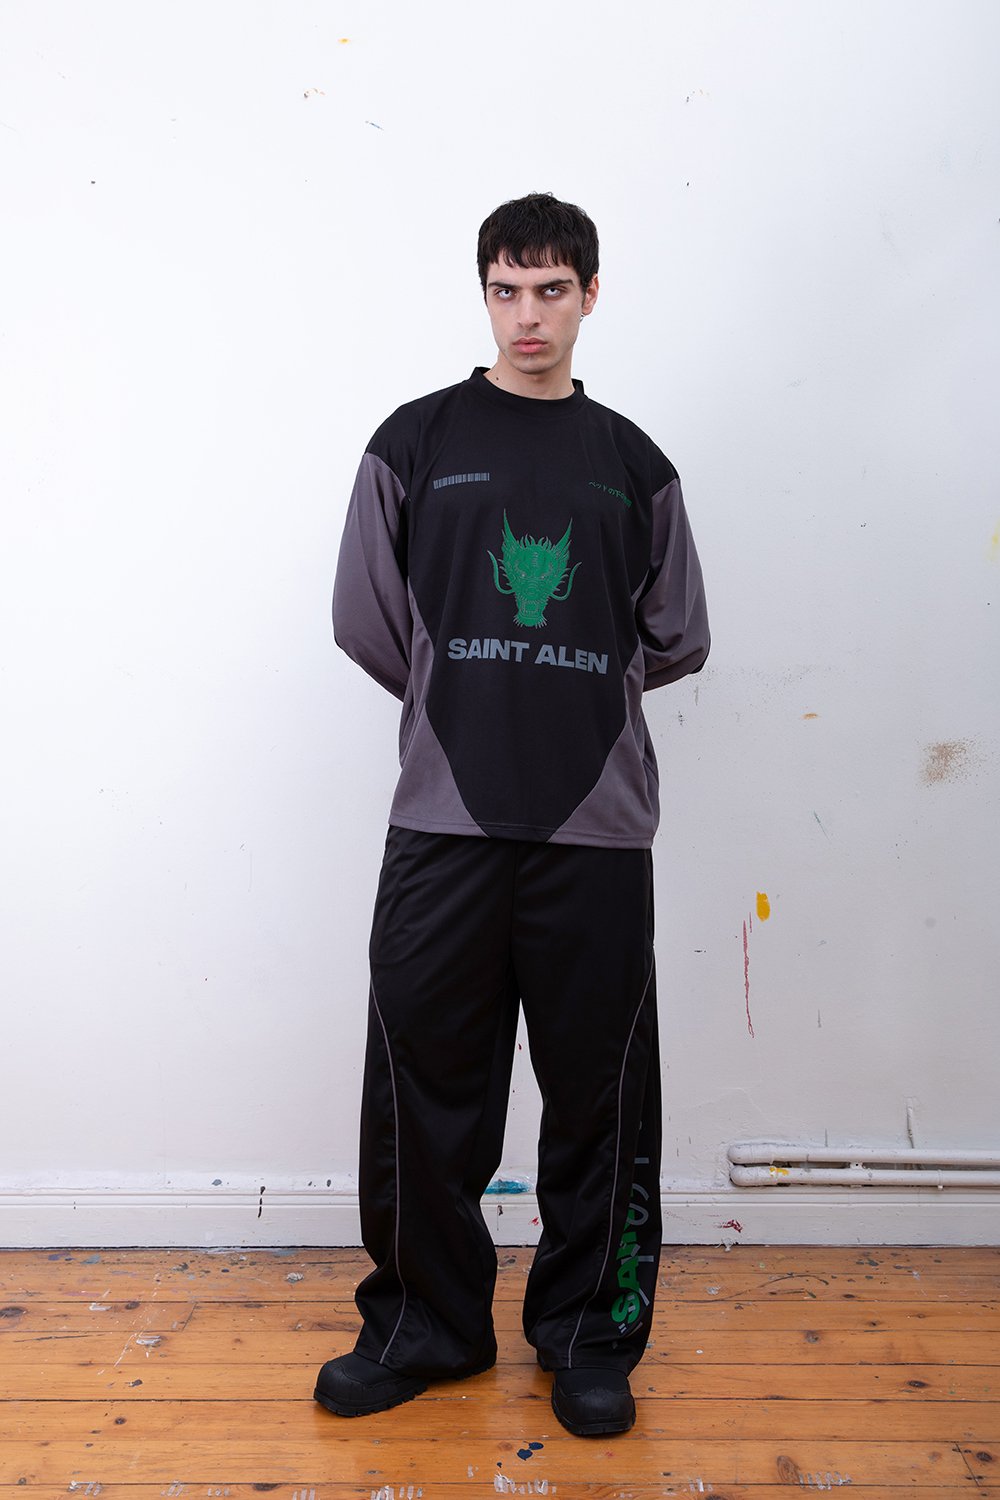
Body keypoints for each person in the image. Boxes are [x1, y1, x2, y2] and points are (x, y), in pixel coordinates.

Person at [316, 191, 710, 1437]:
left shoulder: (634, 464)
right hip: (443, 822)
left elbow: (676, 635)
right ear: (483, 294)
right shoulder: (415, 441)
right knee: (421, 1090)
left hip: (597, 832)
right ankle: (422, 1330)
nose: (526, 314)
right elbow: (366, 619)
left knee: (601, 1098)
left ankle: (590, 1337)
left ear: (590, 295)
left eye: (550, 290)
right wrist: (468, 695)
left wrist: (559, 690)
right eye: (505, 289)